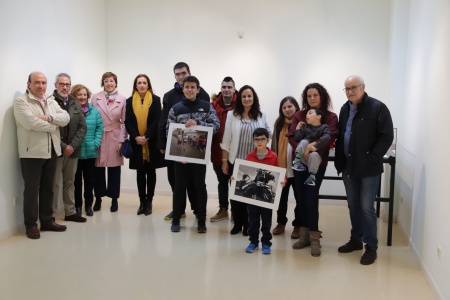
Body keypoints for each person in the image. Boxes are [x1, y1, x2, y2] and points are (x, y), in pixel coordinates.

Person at [335, 75, 394, 265]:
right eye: (347, 88)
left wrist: (373, 156)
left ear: (363, 87)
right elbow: (343, 134)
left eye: (354, 87)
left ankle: (371, 247)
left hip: (369, 167)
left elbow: (386, 136)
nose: (350, 91)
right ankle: (356, 240)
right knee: (353, 205)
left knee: (367, 207)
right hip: (348, 165)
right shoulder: (345, 109)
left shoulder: (378, 108)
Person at [14, 72, 70, 239]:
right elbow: (31, 123)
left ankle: (47, 221)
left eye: (44, 82)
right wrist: (54, 125)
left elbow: (65, 117)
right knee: (32, 190)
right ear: (29, 84)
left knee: (48, 188)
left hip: (52, 149)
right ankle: (31, 225)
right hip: (32, 152)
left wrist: (48, 117)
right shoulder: (21, 102)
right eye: (37, 82)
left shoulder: (51, 100)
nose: (41, 86)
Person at [287, 83, 338, 257]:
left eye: (315, 95)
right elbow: (292, 136)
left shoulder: (330, 117)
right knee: (301, 199)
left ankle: (315, 238)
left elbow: (329, 137)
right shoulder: (300, 115)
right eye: (309, 96)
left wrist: (310, 149)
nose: (312, 98)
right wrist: (302, 153)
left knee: (311, 197)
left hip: (317, 163)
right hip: (300, 163)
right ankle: (305, 236)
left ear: (322, 96)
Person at [158, 62, 210, 220]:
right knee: (176, 181)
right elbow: (163, 121)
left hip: (197, 149)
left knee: (196, 182)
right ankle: (178, 210)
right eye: (178, 74)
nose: (181, 77)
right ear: (175, 76)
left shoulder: (203, 95)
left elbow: (210, 123)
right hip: (176, 147)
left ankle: (197, 209)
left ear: (189, 73)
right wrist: (163, 144)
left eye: (184, 73)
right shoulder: (169, 96)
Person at [167, 76, 220, 233]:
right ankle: (176, 218)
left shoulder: (206, 106)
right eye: (187, 87)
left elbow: (216, 126)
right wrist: (179, 155)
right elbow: (169, 132)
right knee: (178, 187)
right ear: (183, 89)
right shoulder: (175, 109)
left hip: (199, 156)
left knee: (199, 186)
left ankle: (201, 220)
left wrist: (199, 124)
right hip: (180, 157)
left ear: (198, 89)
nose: (189, 90)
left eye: (192, 87)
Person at [221, 85, 272, 235]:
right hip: (236, 162)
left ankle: (249, 225)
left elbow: (268, 133)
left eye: (249, 96)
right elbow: (227, 138)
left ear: (253, 98)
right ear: (240, 98)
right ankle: (238, 224)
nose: (247, 99)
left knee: (251, 196)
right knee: (236, 196)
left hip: (256, 163)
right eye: (244, 96)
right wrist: (224, 160)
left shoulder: (261, 114)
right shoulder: (232, 115)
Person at [238, 128, 284, 254]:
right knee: (252, 219)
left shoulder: (273, 156)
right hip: (253, 196)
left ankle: (266, 242)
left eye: (262, 139)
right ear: (253, 141)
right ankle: (253, 241)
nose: (259, 142)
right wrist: (235, 177)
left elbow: (279, 172)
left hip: (266, 199)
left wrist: (283, 180)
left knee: (266, 220)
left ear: (267, 140)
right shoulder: (249, 156)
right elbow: (245, 173)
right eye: (256, 139)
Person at [125, 74, 165, 216]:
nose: (142, 85)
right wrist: (136, 137)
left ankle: (149, 202)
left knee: (151, 172)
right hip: (136, 143)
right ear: (135, 85)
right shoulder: (129, 101)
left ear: (148, 85)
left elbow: (157, 120)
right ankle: (142, 202)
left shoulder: (155, 100)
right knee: (140, 172)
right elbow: (128, 121)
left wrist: (146, 136)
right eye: (139, 83)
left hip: (151, 141)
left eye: (144, 82)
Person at [50, 73, 87, 223]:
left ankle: (70, 212)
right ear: (56, 85)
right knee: (54, 184)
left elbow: (82, 126)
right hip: (56, 150)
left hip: (72, 151)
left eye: (67, 84)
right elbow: (50, 127)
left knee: (69, 182)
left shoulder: (75, 102)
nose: (64, 87)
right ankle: (50, 215)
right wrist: (63, 146)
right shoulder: (49, 102)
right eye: (61, 84)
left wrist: (72, 146)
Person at [91, 72, 127, 212]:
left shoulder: (122, 99)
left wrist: (121, 140)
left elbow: (124, 122)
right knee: (98, 169)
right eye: (106, 81)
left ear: (116, 82)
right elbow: (92, 117)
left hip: (115, 136)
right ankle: (98, 198)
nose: (109, 83)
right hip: (99, 135)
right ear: (103, 83)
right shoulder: (95, 97)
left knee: (114, 170)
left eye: (111, 81)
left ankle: (114, 199)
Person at [71, 84, 104, 216]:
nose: (83, 97)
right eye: (80, 95)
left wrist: (96, 143)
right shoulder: (71, 111)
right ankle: (78, 206)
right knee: (77, 181)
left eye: (85, 95)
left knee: (90, 180)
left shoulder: (94, 111)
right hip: (76, 153)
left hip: (90, 151)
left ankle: (88, 205)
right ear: (74, 96)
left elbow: (99, 128)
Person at [271, 96, 300, 237]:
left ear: (296, 107)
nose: (287, 110)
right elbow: (274, 146)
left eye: (290, 106)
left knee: (299, 199)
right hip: (281, 168)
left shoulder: (302, 122)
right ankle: (281, 223)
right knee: (281, 199)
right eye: (284, 107)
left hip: (297, 168)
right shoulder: (278, 124)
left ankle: (298, 226)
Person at [209, 76, 237, 222]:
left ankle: (236, 211)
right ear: (221, 89)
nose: (226, 90)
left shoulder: (240, 105)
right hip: (217, 151)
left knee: (235, 182)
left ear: (234, 89)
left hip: (235, 153)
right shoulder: (213, 105)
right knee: (222, 182)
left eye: (229, 87)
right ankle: (223, 209)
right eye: (224, 87)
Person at [292, 109, 331, 186]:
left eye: (310, 113)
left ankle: (312, 176)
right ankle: (297, 161)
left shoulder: (324, 127)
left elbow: (327, 137)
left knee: (314, 155)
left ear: (319, 116)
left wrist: (315, 146)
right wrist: (298, 128)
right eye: (306, 114)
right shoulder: (305, 127)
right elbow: (297, 138)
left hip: (314, 158)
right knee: (304, 141)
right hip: (302, 156)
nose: (307, 115)